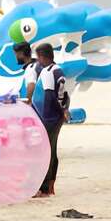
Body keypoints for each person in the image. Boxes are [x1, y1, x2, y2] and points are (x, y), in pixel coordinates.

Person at [27, 43, 68, 197]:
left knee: (46, 152)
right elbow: (64, 95)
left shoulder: (47, 72)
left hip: (49, 117)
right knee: (52, 150)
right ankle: (50, 186)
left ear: (43, 57)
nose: (37, 61)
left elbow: (50, 96)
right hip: (56, 116)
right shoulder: (59, 70)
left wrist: (46, 116)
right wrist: (64, 109)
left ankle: (44, 188)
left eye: (38, 57)